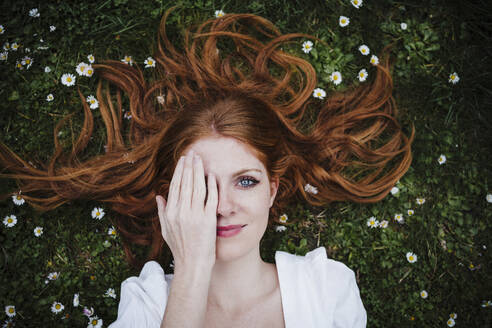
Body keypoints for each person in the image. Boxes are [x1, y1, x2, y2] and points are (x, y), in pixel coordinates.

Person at [0, 6, 413, 328]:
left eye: (246, 181)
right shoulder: (146, 305)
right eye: (201, 186)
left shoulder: (328, 290)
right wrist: (193, 271)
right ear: (172, 200)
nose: (222, 206)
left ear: (272, 190)